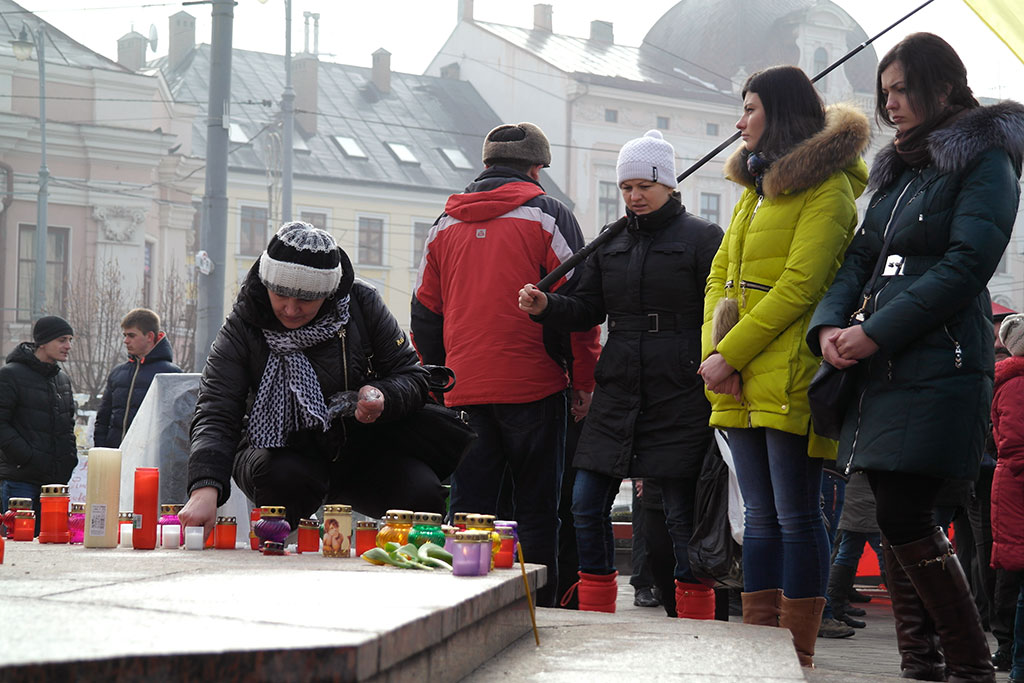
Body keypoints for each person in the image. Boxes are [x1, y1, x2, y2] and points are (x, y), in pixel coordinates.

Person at [809, 33, 1024, 681]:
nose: (892, 104)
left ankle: (966, 667)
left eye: (903, 89)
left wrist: (877, 332)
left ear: (943, 85)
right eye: (886, 92)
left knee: (906, 516)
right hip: (883, 372)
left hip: (941, 364)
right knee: (893, 520)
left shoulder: (984, 158)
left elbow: (968, 263)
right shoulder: (900, 169)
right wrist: (828, 326)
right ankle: (923, 667)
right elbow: (857, 257)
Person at [699, 65, 870, 667]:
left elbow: (801, 287)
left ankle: (797, 653)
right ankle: (759, 650)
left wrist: (729, 354)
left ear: (781, 112)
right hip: (740, 373)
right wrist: (715, 356)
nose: (739, 121)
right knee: (761, 519)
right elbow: (718, 277)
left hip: (792, 372)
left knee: (797, 515)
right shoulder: (753, 190)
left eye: (750, 108)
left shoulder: (828, 191)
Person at [519, 129, 723, 615]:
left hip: (680, 388)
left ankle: (694, 616)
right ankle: (597, 607)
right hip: (619, 387)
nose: (634, 196)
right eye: (626, 187)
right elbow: (587, 307)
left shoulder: (703, 238)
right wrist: (547, 304)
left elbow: (722, 308)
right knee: (586, 502)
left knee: (678, 514)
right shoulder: (610, 242)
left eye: (644, 186)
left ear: (670, 185)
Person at [412, 122, 601, 607]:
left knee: (470, 513)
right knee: (538, 512)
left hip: (464, 389)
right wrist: (584, 379)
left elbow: (424, 313)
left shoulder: (443, 224)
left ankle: (462, 611)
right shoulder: (548, 215)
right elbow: (579, 305)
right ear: (537, 168)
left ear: (487, 164)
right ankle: (538, 613)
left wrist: (438, 382)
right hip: (535, 386)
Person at [180, 222, 445, 537]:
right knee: (283, 477)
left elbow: (413, 376)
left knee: (424, 493)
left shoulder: (362, 304)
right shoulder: (243, 324)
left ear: (329, 293)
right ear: (266, 282)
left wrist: (383, 395)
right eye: (280, 294)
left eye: (307, 299)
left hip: (362, 446)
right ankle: (274, 551)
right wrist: (204, 488)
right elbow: (216, 409)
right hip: (277, 451)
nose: (290, 309)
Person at [0, 316, 78, 535]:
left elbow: (67, 425)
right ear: (43, 342)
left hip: (54, 485)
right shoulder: (10, 375)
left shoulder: (62, 379)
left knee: (52, 543)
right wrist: (29, 457)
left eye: (70, 339)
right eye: (62, 340)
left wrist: (69, 460)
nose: (68, 346)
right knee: (19, 543)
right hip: (20, 480)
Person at [94, 308, 182, 448]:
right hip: (115, 456)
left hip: (149, 459)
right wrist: (101, 449)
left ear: (149, 336)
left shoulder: (171, 375)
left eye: (131, 335)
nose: (126, 341)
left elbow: (177, 425)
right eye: (125, 335)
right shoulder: (117, 373)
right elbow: (102, 419)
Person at [991, 314, 1024, 683]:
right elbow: (1015, 445)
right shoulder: (1016, 384)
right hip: (1016, 488)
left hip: (1012, 487)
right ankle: (1017, 664)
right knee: (1017, 584)